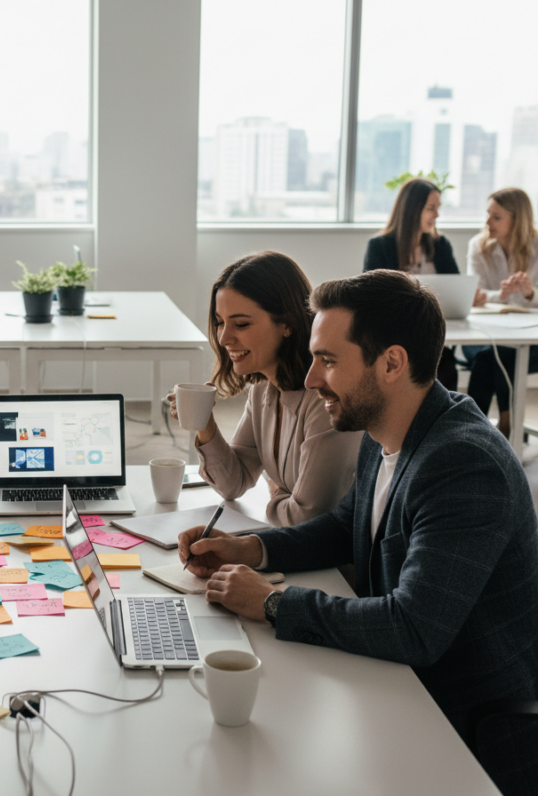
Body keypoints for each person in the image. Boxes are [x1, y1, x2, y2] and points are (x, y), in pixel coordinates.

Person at [178, 270, 538, 796]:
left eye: (327, 361)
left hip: (459, 729)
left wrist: (275, 603)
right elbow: (346, 527)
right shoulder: (384, 427)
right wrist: (251, 548)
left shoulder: (463, 464)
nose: (311, 379)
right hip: (394, 686)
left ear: (391, 363)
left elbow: (414, 626)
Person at [167, 252, 361, 526]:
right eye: (220, 322)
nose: (223, 338)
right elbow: (233, 484)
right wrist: (205, 423)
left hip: (333, 564)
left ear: (287, 324)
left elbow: (307, 518)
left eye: (241, 324)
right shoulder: (263, 391)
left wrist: (274, 497)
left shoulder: (326, 399)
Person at [363, 177, 459, 390]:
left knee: (446, 366)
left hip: (434, 331)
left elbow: (456, 287)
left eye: (437, 208)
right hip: (396, 333)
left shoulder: (440, 245)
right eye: (431, 208)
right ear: (413, 210)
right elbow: (370, 297)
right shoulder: (380, 246)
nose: (437, 215)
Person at [465, 188, 538, 436]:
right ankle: (505, 427)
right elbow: (474, 293)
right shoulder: (478, 245)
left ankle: (473, 433)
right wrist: (500, 295)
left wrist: (530, 293)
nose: (487, 222)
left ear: (517, 219)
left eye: (497, 217)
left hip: (527, 337)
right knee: (496, 355)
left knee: (498, 357)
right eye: (488, 214)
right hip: (483, 333)